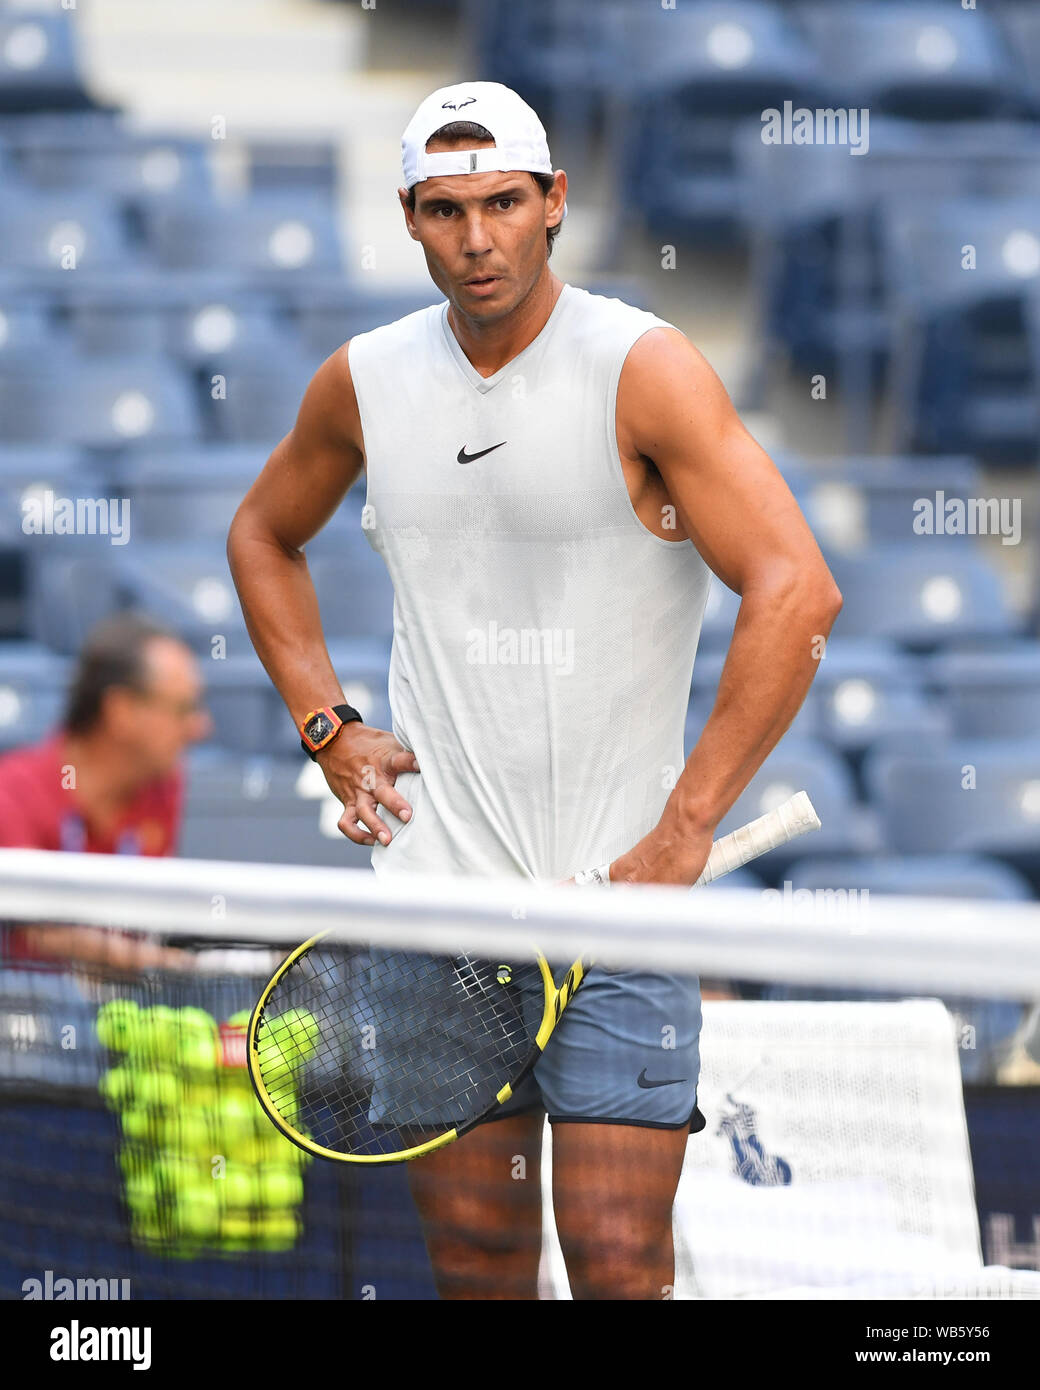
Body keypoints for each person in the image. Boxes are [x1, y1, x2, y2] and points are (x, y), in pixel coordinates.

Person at [227, 81, 841, 1300]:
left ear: (552, 203)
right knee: (475, 1262)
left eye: (503, 202)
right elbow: (260, 535)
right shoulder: (359, 381)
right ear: (408, 218)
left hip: (619, 918)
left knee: (618, 1267)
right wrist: (328, 728)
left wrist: (682, 829)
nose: (476, 237)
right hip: (437, 910)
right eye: (445, 209)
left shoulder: (642, 369)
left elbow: (798, 590)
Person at [0, 612, 212, 970]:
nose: (200, 727)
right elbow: (31, 929)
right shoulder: (13, 791)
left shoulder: (165, 784)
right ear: (122, 710)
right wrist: (166, 965)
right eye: (183, 709)